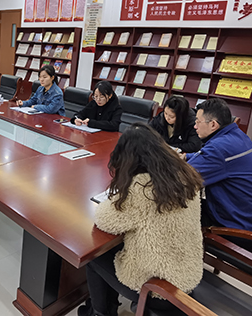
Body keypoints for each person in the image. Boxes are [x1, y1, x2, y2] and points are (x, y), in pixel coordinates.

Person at [80, 123, 203, 316]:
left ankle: (100, 313)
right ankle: (105, 306)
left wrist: (118, 193)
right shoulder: (186, 175)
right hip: (188, 274)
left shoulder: (141, 189)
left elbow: (103, 218)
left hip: (159, 289)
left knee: (94, 258)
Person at [186, 98, 252, 234]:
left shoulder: (219, 148)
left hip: (235, 227)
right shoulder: (236, 136)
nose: (195, 126)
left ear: (213, 124)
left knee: (170, 208)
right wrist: (186, 156)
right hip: (247, 218)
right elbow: (212, 158)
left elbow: (182, 177)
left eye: (197, 121)